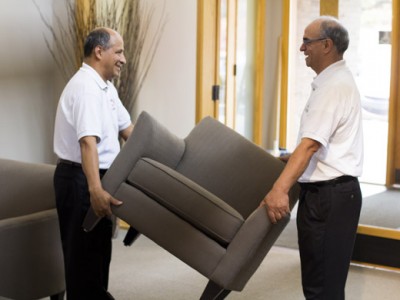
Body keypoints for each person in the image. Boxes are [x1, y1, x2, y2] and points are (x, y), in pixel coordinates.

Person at [260, 16, 363, 299]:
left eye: (307, 41)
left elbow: (310, 146)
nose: (301, 48)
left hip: (329, 198)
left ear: (327, 45)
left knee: (322, 288)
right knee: (322, 283)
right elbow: (319, 143)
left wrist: (279, 190)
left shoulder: (332, 87)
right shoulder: (335, 81)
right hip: (333, 195)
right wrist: (293, 159)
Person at [53, 27, 134, 299]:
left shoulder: (106, 88)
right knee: (83, 261)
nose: (124, 58)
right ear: (99, 52)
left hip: (100, 177)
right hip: (81, 180)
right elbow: (87, 143)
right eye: (119, 51)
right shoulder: (86, 88)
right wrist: (95, 189)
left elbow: (128, 131)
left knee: (99, 257)